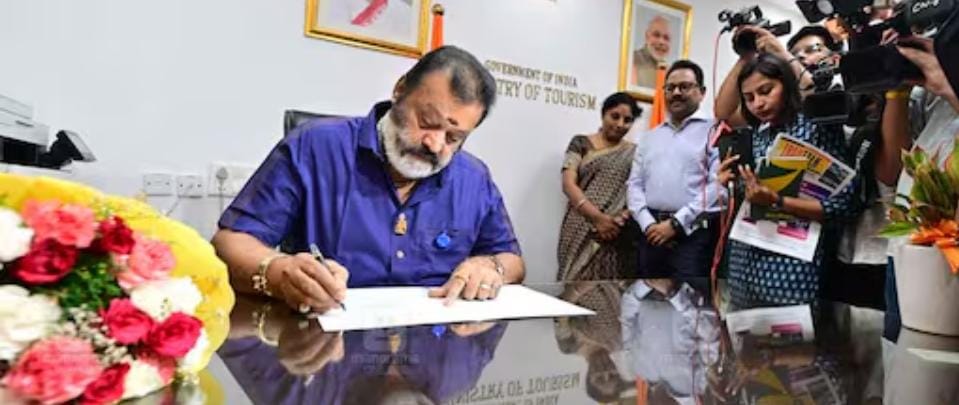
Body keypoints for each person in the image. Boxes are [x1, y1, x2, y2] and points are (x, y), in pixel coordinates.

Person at [213, 46, 525, 314]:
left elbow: (512, 260)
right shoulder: (315, 147)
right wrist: (280, 272)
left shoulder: (474, 179)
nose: (434, 144)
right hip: (325, 345)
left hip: (433, 347)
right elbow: (230, 243)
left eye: (454, 137)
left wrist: (491, 267)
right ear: (400, 90)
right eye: (427, 121)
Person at [715, 53, 857, 309]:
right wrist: (731, 184)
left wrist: (777, 201)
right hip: (744, 259)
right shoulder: (757, 134)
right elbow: (751, 192)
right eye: (749, 98)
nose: (758, 104)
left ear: (787, 84)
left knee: (792, 331)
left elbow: (842, 205)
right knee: (744, 329)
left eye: (766, 91)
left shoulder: (817, 125)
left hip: (792, 263)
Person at [875, 35, 959, 342]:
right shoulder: (931, 93)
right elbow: (890, 171)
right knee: (902, 359)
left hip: (950, 256)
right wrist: (896, 91)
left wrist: (949, 84)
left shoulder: (944, 82)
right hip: (907, 249)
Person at [627, 60, 722, 286]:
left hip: (693, 238)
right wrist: (648, 224)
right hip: (650, 236)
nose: (676, 93)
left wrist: (676, 224)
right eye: (670, 88)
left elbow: (719, 188)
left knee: (691, 304)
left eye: (685, 86)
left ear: (702, 92)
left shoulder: (716, 131)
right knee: (647, 302)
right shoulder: (649, 137)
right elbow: (634, 185)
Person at [557, 92, 642, 281]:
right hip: (580, 224)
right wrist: (597, 218)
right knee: (573, 283)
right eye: (615, 116)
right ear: (603, 114)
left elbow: (638, 190)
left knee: (607, 287)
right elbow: (568, 184)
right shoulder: (580, 143)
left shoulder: (635, 153)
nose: (620, 124)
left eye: (627, 120)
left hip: (615, 231)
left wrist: (620, 218)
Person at [632, 16, 672, 88]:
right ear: (647, 36)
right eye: (656, 35)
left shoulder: (670, 72)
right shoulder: (632, 60)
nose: (661, 42)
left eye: (666, 38)